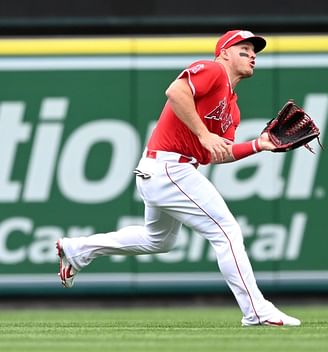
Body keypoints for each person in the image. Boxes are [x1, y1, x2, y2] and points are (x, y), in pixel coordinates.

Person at [56, 29, 301, 327]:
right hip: (169, 168)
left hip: (164, 171)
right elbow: (175, 92)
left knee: (158, 240)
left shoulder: (232, 109)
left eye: (254, 52)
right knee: (227, 232)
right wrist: (202, 133)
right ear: (224, 52)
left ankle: (77, 249)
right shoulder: (213, 70)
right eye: (244, 49)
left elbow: (215, 153)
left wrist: (258, 145)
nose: (252, 55)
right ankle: (257, 311)